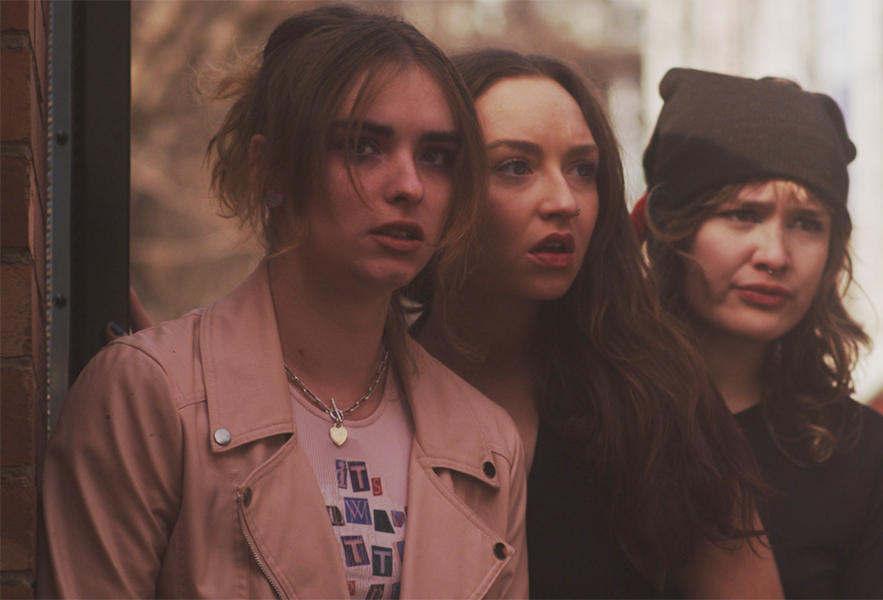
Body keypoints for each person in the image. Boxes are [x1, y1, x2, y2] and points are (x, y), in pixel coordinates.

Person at [40, 6, 527, 599]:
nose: (409, 185)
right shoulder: (151, 396)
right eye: (363, 147)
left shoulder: (486, 446)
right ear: (269, 167)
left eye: (435, 156)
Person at [413, 50, 782, 599]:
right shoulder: (363, 390)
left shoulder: (654, 395)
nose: (564, 202)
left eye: (582, 170)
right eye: (516, 167)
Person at [636, 68, 883, 599]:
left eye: (806, 224)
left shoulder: (866, 458)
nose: (775, 255)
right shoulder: (587, 417)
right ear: (671, 228)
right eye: (741, 214)